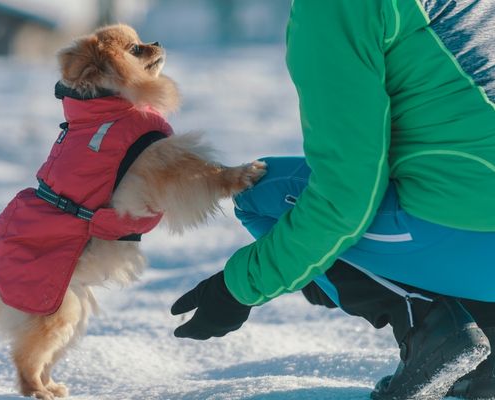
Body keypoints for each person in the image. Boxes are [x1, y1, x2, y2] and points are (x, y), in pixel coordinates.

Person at [170, 0, 495, 399]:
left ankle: (431, 328)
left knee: (262, 191)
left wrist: (237, 288)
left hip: (475, 236)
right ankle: (489, 354)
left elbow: (345, 197)